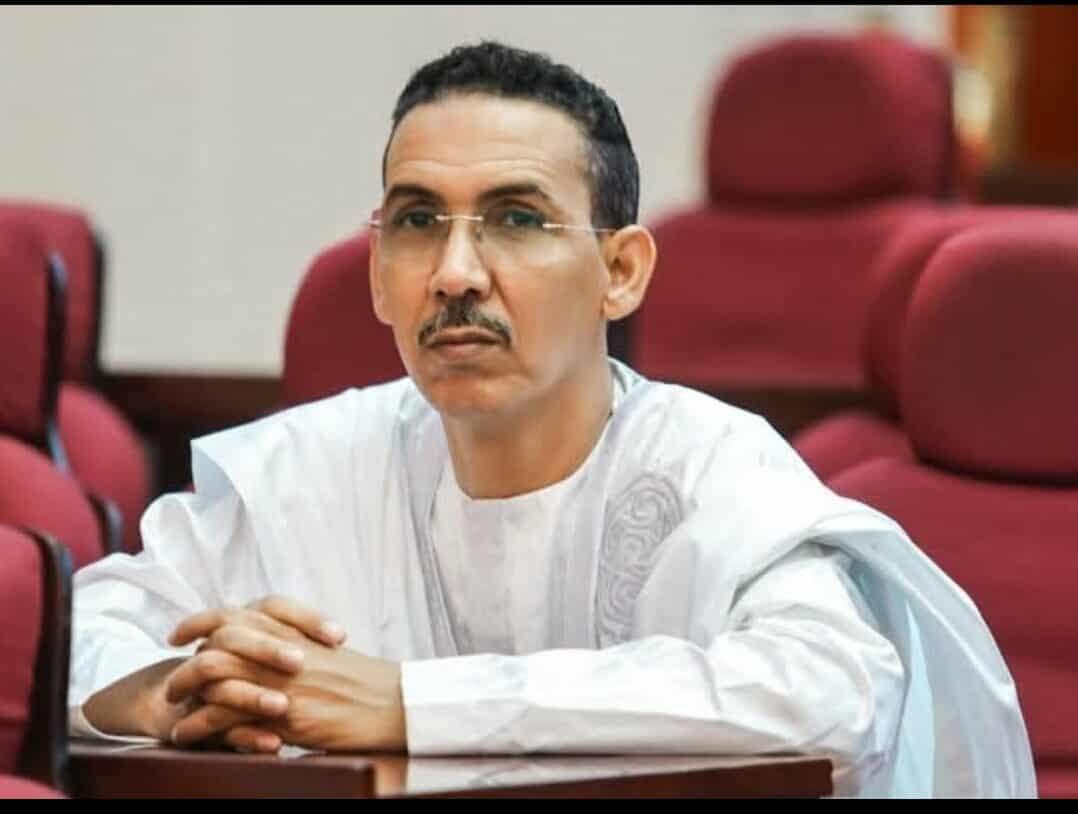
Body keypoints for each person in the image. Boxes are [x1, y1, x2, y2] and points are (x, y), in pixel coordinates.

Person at [69, 41, 1034, 797]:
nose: (455, 273)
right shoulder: (308, 467)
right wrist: (169, 693)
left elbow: (830, 694)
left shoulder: (710, 465)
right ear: (378, 275)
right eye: (418, 222)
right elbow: (80, 629)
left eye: (516, 220)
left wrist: (409, 704)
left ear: (621, 272)